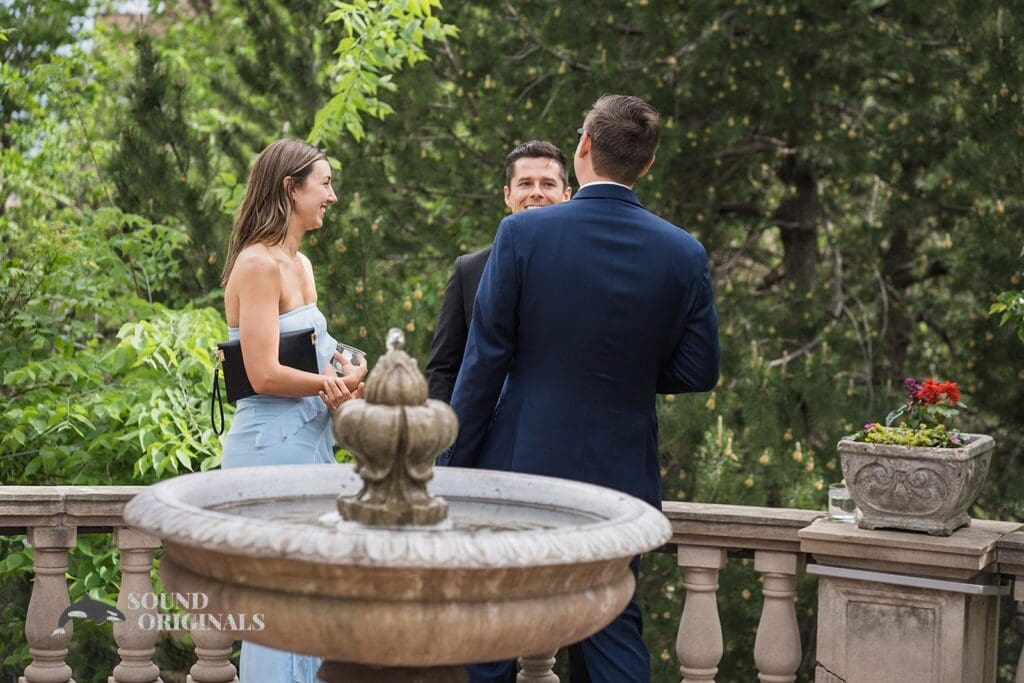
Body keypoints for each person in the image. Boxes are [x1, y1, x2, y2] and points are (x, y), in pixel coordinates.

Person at [443, 95, 721, 683]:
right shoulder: (684, 251)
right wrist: (630, 373)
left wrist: (451, 469)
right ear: (645, 165)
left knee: (492, 628)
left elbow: (482, 365)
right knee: (612, 631)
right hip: (622, 474)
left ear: (584, 147)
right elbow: (699, 370)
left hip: (521, 469)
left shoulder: (521, 235)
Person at [218, 138, 368, 683]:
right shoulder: (256, 266)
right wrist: (328, 381)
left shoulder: (300, 264)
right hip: (268, 450)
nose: (332, 195)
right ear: (291, 188)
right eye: (324, 183)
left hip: (312, 447)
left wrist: (351, 371)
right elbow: (262, 373)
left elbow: (310, 354)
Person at [425, 140, 572, 403]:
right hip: (483, 434)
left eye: (548, 184)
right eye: (525, 184)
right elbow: (442, 370)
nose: (536, 193)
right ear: (507, 195)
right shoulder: (468, 271)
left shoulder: (585, 267)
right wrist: (445, 438)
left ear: (567, 195)